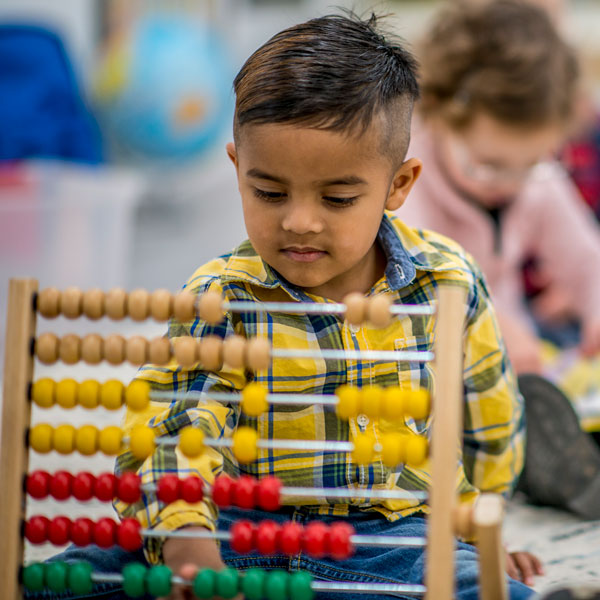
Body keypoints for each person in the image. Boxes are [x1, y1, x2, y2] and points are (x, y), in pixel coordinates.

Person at [26, 13, 537, 600]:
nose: (299, 221)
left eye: (338, 198)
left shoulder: (447, 283)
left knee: (494, 591)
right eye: (268, 192)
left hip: (391, 541)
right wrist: (189, 546)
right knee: (61, 579)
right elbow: (176, 425)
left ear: (399, 185)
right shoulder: (225, 294)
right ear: (237, 168)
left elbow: (489, 422)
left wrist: (486, 528)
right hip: (234, 529)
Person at [398, 0, 600, 522]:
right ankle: (531, 464)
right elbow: (420, 276)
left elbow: (586, 261)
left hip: (520, 357)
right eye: (487, 165)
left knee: (557, 381)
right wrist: (490, 326)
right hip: (421, 365)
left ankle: (561, 458)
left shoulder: (538, 184)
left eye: (529, 162)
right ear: (438, 115)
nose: (509, 182)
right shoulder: (405, 180)